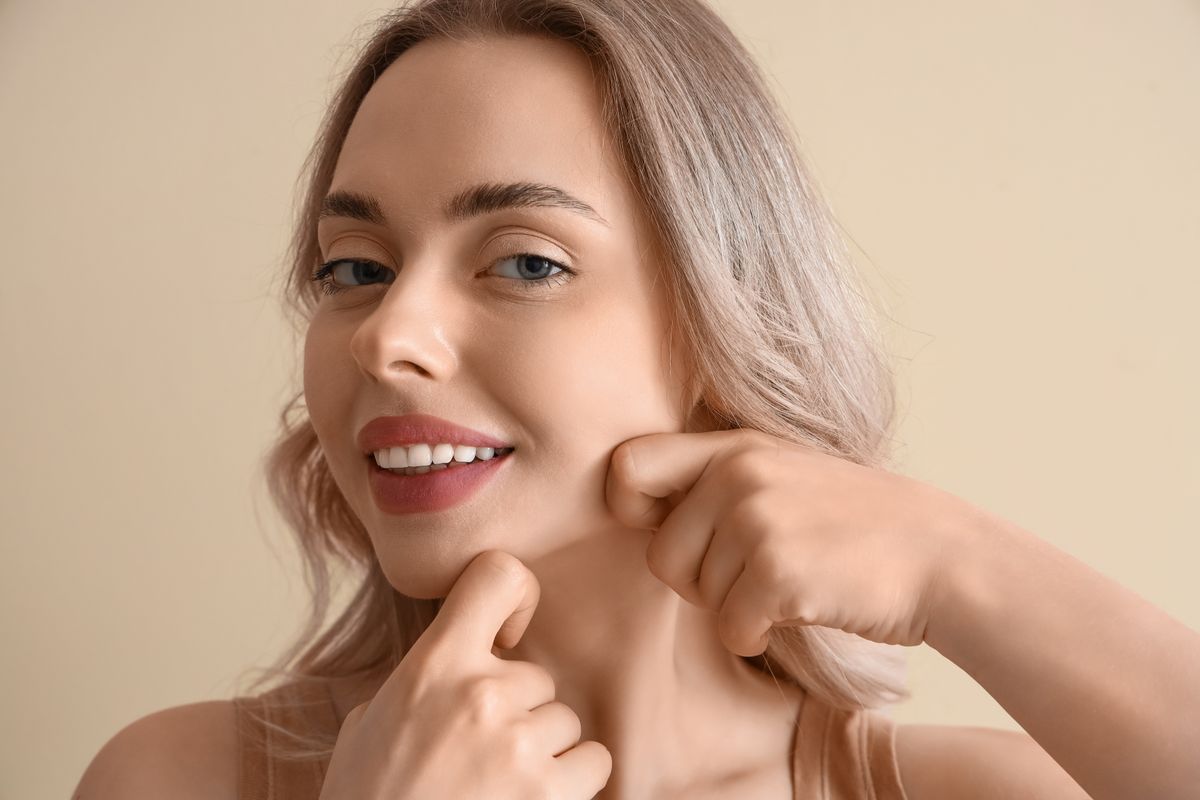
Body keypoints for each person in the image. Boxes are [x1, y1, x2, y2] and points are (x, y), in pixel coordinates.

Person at [72, 0, 1200, 798]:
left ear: (719, 322)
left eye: (523, 260)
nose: (388, 336)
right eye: (354, 267)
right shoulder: (177, 780)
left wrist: (959, 563)